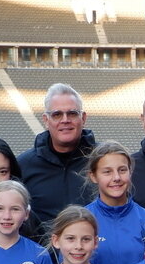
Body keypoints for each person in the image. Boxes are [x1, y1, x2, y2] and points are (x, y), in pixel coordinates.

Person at [19, 83, 99, 230]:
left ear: (83, 118)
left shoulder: (102, 160)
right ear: (46, 120)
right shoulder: (23, 166)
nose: (65, 120)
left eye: (72, 113)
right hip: (41, 252)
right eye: (57, 114)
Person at [85, 141, 145, 264]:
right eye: (107, 172)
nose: (116, 178)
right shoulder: (82, 221)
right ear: (93, 176)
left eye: (122, 170)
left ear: (130, 172)